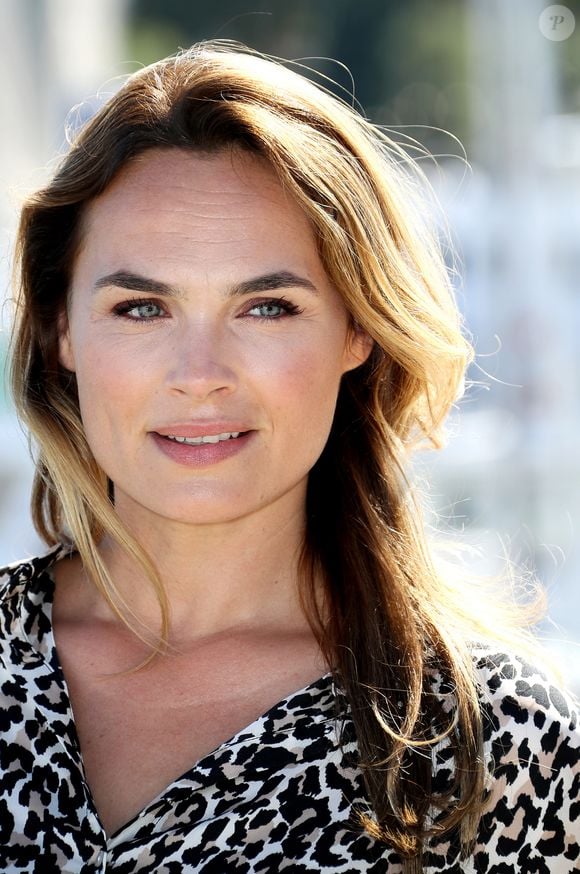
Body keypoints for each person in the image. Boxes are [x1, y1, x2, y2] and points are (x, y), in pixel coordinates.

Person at [1, 40, 578, 874]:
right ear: (61, 330)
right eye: (141, 308)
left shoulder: (497, 749)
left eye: (266, 307)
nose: (199, 376)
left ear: (358, 329)